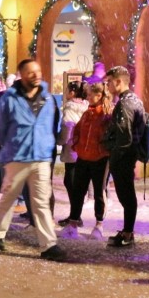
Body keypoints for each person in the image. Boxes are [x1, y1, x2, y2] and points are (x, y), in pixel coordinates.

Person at [0, 59, 63, 260]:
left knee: (41, 202)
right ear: (22, 75)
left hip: (41, 157)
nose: (36, 75)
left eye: (38, 71)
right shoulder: (9, 99)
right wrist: (12, 144)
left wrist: (47, 143)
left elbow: (52, 125)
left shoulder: (47, 98)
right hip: (17, 157)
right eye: (31, 72)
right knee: (9, 197)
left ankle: (49, 245)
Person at [101, 66, 147, 248]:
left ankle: (128, 232)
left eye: (109, 82)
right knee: (128, 195)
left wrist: (114, 154)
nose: (107, 86)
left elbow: (124, 135)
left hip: (123, 157)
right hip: (129, 155)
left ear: (119, 82)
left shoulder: (124, 104)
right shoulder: (135, 100)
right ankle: (128, 230)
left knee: (126, 195)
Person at [64, 81, 111, 240]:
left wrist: (102, 151)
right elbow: (77, 130)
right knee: (78, 191)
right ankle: (72, 224)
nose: (88, 97)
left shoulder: (106, 115)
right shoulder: (87, 113)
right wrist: (77, 146)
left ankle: (99, 225)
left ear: (99, 95)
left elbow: (109, 137)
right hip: (83, 158)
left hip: (100, 160)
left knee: (99, 192)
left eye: (91, 94)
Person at [56, 80, 87, 232]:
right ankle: (75, 215)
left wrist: (58, 140)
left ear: (73, 92)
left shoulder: (69, 109)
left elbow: (66, 132)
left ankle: (75, 216)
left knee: (71, 182)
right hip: (82, 149)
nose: (66, 92)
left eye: (67, 90)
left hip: (71, 149)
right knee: (75, 183)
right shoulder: (86, 107)